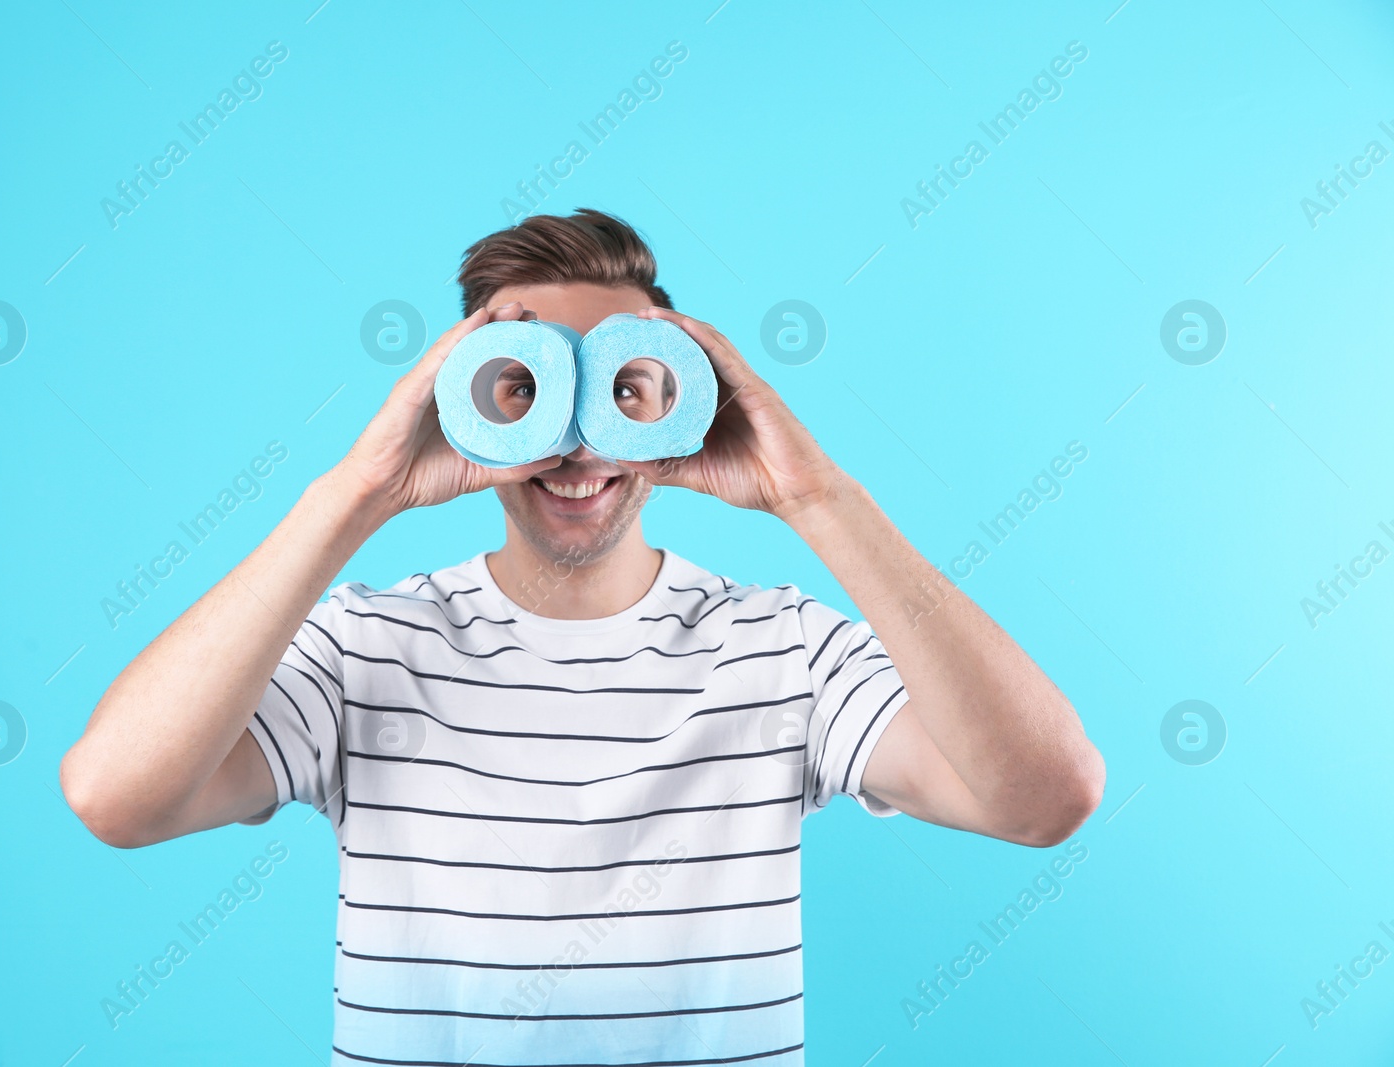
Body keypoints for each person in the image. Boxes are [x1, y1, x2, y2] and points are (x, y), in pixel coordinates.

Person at [60, 208, 1105, 1064]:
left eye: (622, 389)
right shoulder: (361, 648)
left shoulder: (783, 648)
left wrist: (815, 495)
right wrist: (355, 494)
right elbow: (117, 796)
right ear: (468, 407)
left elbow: (1044, 797)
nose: (573, 438)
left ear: (676, 401)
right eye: (523, 388)